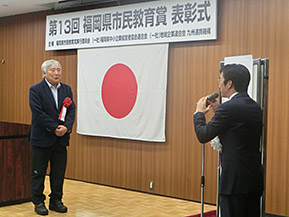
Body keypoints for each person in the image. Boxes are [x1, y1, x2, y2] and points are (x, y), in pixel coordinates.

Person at [193, 64, 264, 217]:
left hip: (234, 182)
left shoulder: (229, 108)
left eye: (220, 80)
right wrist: (219, 110)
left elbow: (203, 135)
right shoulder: (255, 106)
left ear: (229, 83)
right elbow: (237, 132)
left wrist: (198, 114)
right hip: (252, 178)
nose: (219, 84)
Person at [29, 59, 75, 215]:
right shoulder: (35, 90)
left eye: (58, 70)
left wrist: (67, 127)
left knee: (58, 172)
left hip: (61, 139)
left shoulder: (67, 90)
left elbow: (72, 111)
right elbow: (38, 113)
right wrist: (54, 127)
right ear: (44, 72)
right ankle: (38, 202)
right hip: (42, 138)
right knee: (39, 172)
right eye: (52, 70)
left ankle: (56, 200)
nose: (56, 73)